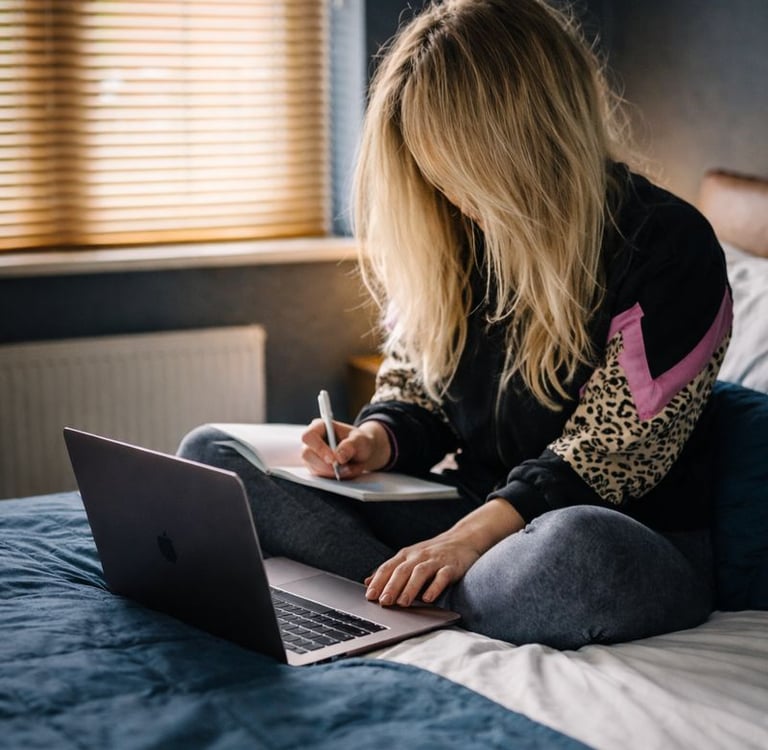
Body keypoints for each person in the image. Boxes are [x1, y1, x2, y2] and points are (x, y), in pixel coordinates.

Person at [178, 0, 732, 649]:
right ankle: (414, 598)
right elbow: (421, 391)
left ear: (530, 137)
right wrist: (378, 440)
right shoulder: (465, 234)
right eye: (435, 173)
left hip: (612, 532)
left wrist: (466, 539)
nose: (453, 197)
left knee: (581, 555)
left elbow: (604, 465)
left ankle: (398, 593)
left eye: (462, 172)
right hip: (473, 512)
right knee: (213, 457)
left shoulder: (668, 248)